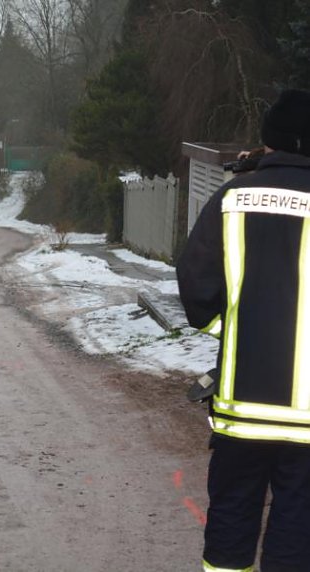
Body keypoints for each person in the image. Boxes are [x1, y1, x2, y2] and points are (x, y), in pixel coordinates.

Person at [177, 88, 310, 572]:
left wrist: (233, 334)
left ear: (269, 141)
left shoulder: (231, 198)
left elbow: (195, 285)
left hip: (241, 406)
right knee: (299, 529)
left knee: (233, 515)